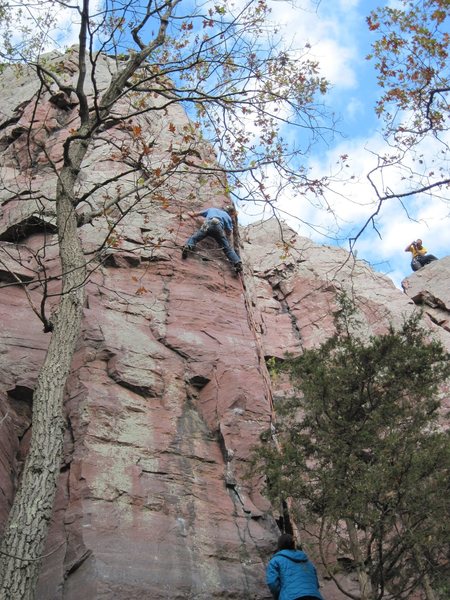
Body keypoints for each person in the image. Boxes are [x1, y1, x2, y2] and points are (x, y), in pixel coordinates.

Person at [182, 205, 242, 272]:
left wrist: (190, 213)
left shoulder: (212, 209)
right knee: (227, 248)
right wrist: (226, 233)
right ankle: (237, 262)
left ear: (224, 208)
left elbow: (196, 214)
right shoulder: (228, 217)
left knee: (195, 238)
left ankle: (188, 246)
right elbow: (229, 231)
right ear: (230, 213)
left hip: (208, 224)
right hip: (218, 227)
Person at [266, 533, 324, 600]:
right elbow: (316, 583)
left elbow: (272, 583)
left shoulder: (275, 561)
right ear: (293, 544)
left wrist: (281, 595)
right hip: (314, 596)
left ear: (279, 545)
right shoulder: (307, 561)